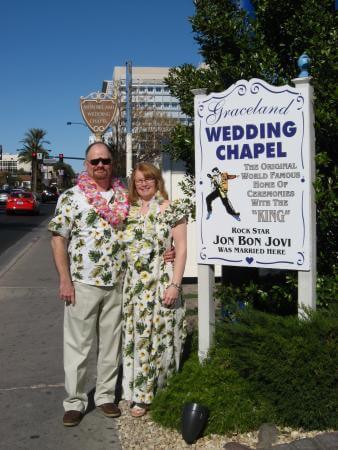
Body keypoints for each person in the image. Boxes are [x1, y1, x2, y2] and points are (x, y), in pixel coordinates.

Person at [48, 142, 130, 427]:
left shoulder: (125, 196)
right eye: (94, 161)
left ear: (112, 163)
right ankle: (75, 402)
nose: (100, 165)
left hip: (117, 283)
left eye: (105, 160)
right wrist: (64, 279)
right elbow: (59, 238)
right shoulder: (71, 197)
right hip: (82, 283)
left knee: (111, 345)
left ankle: (105, 396)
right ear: (86, 164)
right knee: (78, 347)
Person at [122, 162, 188, 418]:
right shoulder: (128, 210)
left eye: (148, 179)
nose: (144, 184)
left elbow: (180, 249)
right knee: (138, 339)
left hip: (162, 282)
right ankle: (137, 391)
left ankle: (157, 392)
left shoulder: (172, 210)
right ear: (134, 184)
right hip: (134, 287)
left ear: (157, 181)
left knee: (159, 340)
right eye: (139, 180)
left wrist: (175, 284)